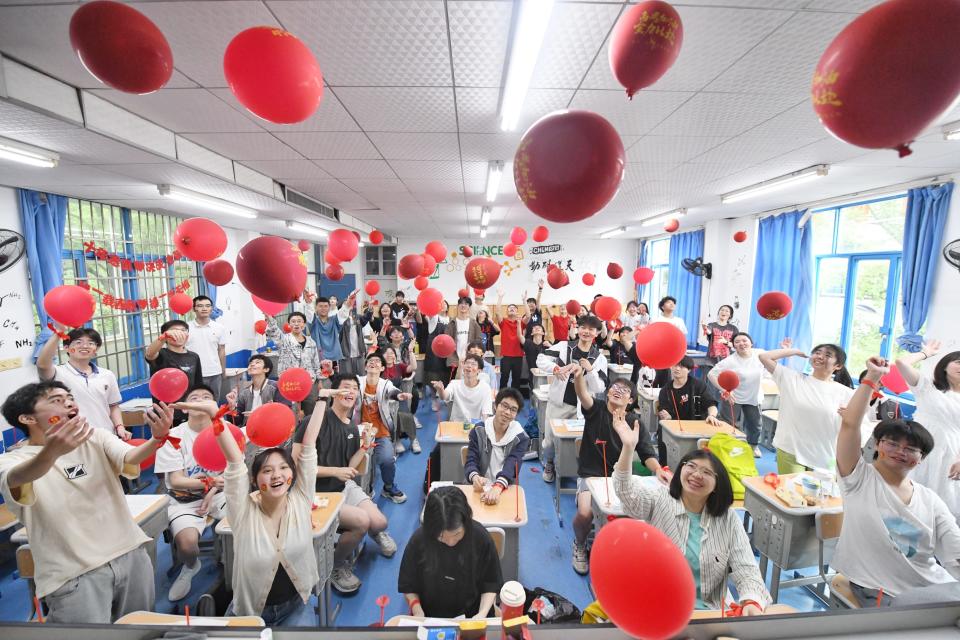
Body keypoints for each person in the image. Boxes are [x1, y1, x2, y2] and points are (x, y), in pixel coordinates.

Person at [0, 381, 172, 623]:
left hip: (128, 553)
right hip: (73, 573)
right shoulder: (11, 461)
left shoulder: (95, 437)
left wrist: (157, 439)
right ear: (28, 418)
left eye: (69, 397)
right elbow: (18, 477)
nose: (69, 402)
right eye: (56, 400)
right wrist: (52, 452)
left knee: (140, 629)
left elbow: (130, 456)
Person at [833, 356, 960, 607]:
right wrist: (872, 377)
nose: (901, 451)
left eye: (911, 449)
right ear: (878, 445)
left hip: (932, 587)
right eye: (892, 443)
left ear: (921, 459)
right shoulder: (858, 479)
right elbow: (850, 425)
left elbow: (954, 552)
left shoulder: (930, 499)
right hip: (880, 588)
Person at [191, 387, 325, 625]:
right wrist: (216, 418)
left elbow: (309, 445)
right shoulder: (243, 513)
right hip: (250, 613)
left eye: (283, 468)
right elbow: (235, 464)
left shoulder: (301, 500)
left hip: (295, 607)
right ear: (254, 480)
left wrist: (323, 397)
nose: (277, 476)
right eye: (267, 470)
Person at [613, 431, 770, 613]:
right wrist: (628, 447)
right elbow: (627, 493)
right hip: (660, 608)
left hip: (707, 612)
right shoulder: (660, 499)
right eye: (692, 467)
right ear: (681, 469)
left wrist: (752, 602)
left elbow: (747, 569)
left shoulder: (728, 519)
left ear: (717, 485)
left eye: (707, 472)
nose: (697, 475)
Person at [293, 375, 397, 594]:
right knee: (361, 521)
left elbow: (349, 466)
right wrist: (335, 471)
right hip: (316, 493)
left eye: (354, 389)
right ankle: (334, 565)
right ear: (333, 393)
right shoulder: (314, 422)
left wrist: (364, 447)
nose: (350, 392)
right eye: (345, 388)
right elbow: (296, 466)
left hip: (342, 488)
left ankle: (371, 531)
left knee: (380, 522)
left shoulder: (352, 427)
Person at [570, 368, 670, 575]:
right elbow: (582, 394)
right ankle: (580, 544)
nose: (617, 391)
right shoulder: (596, 409)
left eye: (624, 390)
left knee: (638, 514)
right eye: (614, 387)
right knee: (585, 513)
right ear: (607, 392)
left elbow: (646, 453)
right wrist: (578, 376)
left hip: (621, 479)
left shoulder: (635, 422)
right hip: (591, 476)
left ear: (631, 400)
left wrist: (658, 469)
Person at [154, 385, 228, 602]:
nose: (200, 400)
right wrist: (210, 482)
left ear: (214, 406)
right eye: (194, 398)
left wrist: (211, 489)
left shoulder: (224, 431)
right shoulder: (173, 436)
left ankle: (231, 564)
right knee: (187, 545)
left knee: (242, 526)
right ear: (185, 408)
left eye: (206, 397)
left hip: (220, 493)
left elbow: (231, 473)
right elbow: (177, 481)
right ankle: (190, 566)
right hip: (184, 499)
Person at [399, 486, 503, 619]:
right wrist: (417, 610)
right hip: (431, 617)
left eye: (457, 534)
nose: (451, 542)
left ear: (466, 521)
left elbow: (490, 583)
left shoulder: (481, 538)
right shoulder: (419, 540)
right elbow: (408, 585)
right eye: (442, 537)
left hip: (473, 614)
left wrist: (482, 613)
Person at [759, 341, 861, 474]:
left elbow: (857, 424)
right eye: (817, 353)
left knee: (818, 494)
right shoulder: (792, 379)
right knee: (792, 492)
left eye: (827, 355)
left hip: (825, 454)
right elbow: (764, 357)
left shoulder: (846, 393)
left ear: (838, 365)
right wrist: (794, 351)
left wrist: (849, 416)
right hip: (791, 448)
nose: (820, 356)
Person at [536, 314, 607, 483]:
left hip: (583, 409)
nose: (586, 332)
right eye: (583, 328)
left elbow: (599, 388)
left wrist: (590, 371)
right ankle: (550, 463)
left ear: (596, 333)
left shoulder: (599, 358)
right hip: (559, 404)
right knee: (550, 442)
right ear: (577, 329)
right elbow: (541, 359)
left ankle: (578, 471)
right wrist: (555, 368)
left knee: (579, 443)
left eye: (591, 329)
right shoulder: (564, 346)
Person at [895, 341, 960, 519]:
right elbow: (901, 363)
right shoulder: (928, 387)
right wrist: (926, 353)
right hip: (919, 447)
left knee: (941, 507)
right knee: (908, 500)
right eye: (958, 362)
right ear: (945, 365)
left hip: (950, 455)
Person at [36, 324, 128, 440]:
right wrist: (58, 333)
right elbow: (42, 365)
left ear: (96, 350)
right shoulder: (58, 373)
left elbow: (113, 406)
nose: (85, 346)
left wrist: (119, 427)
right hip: (72, 439)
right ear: (66, 348)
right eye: (78, 342)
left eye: (91, 343)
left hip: (106, 436)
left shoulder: (107, 375)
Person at [357, 352, 413, 503]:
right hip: (358, 432)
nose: (373, 363)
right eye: (370, 361)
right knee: (356, 462)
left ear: (382, 367)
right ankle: (358, 491)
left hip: (380, 432)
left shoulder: (385, 384)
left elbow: (393, 392)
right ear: (365, 366)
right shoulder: (358, 382)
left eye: (377, 361)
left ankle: (388, 487)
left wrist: (399, 396)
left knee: (388, 459)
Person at [464, 388, 529, 505]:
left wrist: (498, 486)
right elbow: (471, 459)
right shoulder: (479, 430)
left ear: (516, 414)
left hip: (504, 486)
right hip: (479, 487)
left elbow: (512, 465)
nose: (507, 412)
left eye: (513, 410)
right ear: (495, 406)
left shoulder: (520, 438)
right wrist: (475, 477)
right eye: (504, 406)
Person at [708, 333, 767, 457]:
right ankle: (727, 445)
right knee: (728, 424)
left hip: (753, 396)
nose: (741, 343)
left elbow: (773, 360)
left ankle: (753, 446)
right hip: (733, 397)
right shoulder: (730, 361)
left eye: (744, 340)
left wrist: (784, 350)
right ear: (733, 345)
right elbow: (711, 374)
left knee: (755, 424)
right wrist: (725, 390)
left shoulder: (760, 354)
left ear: (751, 343)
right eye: (737, 342)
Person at [266, 311, 324, 416]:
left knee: (310, 411)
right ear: (289, 324)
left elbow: (315, 362)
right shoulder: (283, 340)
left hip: (309, 381)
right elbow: (274, 331)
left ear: (304, 324)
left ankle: (309, 431)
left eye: (299, 321)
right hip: (290, 383)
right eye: (293, 321)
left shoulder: (311, 342)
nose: (296, 324)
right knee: (292, 412)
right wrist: (269, 317)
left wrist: (319, 380)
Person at [146, 319, 203, 421]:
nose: (179, 334)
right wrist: (163, 337)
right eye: (174, 331)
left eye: (183, 330)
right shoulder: (161, 354)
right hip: (164, 414)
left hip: (189, 412)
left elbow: (198, 385)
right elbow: (150, 354)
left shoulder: (194, 357)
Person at [225, 354, 291, 428]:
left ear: (266, 369)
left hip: (271, 429)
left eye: (257, 362)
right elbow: (236, 422)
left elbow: (285, 412)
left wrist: (262, 414)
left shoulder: (276, 387)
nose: (252, 364)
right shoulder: (244, 393)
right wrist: (232, 407)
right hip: (249, 430)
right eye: (250, 363)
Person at [382, 345, 422, 454]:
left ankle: (413, 439)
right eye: (387, 353)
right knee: (393, 416)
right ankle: (397, 440)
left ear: (395, 356)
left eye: (392, 353)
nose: (390, 355)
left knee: (406, 414)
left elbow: (413, 367)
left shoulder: (399, 366)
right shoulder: (379, 368)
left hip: (399, 396)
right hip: (383, 399)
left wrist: (410, 351)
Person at [304, 290, 356, 373]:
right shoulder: (313, 321)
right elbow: (309, 314)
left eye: (325, 306)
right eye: (320, 306)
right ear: (316, 307)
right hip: (317, 357)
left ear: (329, 307)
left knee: (334, 382)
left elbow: (343, 313)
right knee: (319, 382)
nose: (323, 308)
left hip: (334, 357)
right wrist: (308, 303)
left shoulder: (335, 320)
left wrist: (348, 303)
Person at [186, 295, 227, 399]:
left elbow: (221, 350)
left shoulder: (219, 328)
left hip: (215, 373)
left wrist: (223, 370)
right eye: (200, 306)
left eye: (208, 306)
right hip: (193, 374)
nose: (204, 309)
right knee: (195, 404)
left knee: (213, 402)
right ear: (194, 308)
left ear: (211, 308)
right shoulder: (186, 328)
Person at [432, 354, 493, 423]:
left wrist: (483, 428)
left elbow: (486, 413)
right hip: (456, 425)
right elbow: (444, 396)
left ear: (479, 370)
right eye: (467, 363)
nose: (469, 366)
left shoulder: (485, 388)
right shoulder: (454, 384)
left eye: (473, 364)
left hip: (474, 426)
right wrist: (440, 390)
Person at [658, 357, 721, 423]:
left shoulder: (699, 385)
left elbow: (711, 404)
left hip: (697, 426)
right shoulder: (665, 390)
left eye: (682, 366)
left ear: (689, 370)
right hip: (675, 426)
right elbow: (664, 412)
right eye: (675, 365)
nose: (677, 369)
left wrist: (712, 415)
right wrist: (667, 416)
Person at [492, 292, 526, 390]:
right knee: (504, 378)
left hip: (518, 355)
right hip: (506, 356)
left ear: (517, 312)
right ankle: (502, 396)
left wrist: (524, 301)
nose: (511, 308)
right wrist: (500, 297)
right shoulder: (504, 322)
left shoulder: (520, 322)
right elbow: (498, 312)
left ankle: (514, 398)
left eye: (514, 308)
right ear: (507, 312)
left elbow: (528, 315)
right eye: (509, 308)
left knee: (516, 379)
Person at [444, 296, 482, 369]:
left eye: (466, 304)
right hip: (454, 360)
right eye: (461, 303)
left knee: (469, 380)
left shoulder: (473, 323)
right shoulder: (452, 323)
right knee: (454, 380)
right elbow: (447, 341)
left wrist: (473, 350)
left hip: (470, 360)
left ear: (469, 307)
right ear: (458, 306)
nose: (463, 305)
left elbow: (479, 340)